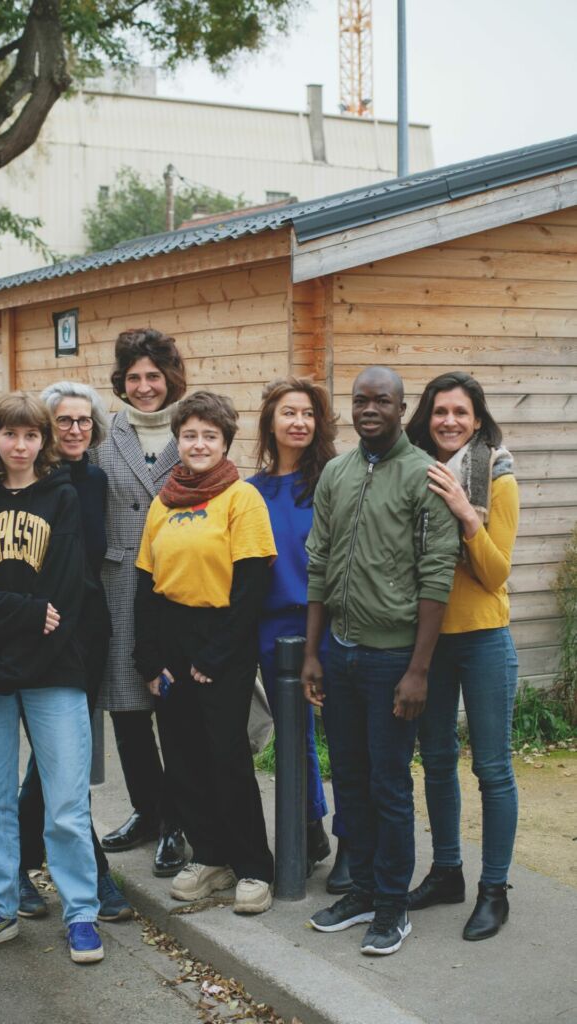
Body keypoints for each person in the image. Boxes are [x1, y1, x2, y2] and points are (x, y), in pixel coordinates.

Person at [304, 366, 459, 956]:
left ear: (402, 408)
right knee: (348, 775)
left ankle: (393, 905)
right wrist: (314, 652)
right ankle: (363, 889)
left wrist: (418, 669)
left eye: (382, 401)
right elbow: (318, 564)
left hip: (392, 658)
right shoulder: (337, 474)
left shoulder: (425, 476)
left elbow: (436, 575)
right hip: (339, 653)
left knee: (389, 783)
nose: (370, 409)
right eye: (360, 401)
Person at [0, 391, 103, 964]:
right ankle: (0, 905)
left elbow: (65, 592)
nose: (20, 444)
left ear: (44, 441)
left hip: (53, 670)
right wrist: (22, 614)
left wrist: (28, 639)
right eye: (9, 434)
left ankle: (81, 912)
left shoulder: (61, 499)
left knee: (64, 802)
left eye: (31, 435)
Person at [133, 391, 277, 914]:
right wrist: (149, 658)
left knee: (225, 756)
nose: (198, 444)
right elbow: (146, 584)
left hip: (223, 640)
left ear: (225, 443)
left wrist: (215, 655)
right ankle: (210, 855)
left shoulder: (242, 499)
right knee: (183, 755)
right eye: (189, 435)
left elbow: (251, 585)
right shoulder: (163, 501)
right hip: (171, 639)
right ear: (178, 441)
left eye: (209, 436)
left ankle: (253, 866)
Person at [406, 371, 519, 941]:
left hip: (482, 639)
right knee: (437, 759)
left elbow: (496, 571)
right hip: (427, 640)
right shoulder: (412, 473)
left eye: (461, 412)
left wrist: (465, 512)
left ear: (477, 419)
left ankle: (493, 890)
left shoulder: (495, 475)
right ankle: (447, 870)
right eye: (440, 411)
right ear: (427, 418)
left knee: (492, 768)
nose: (449, 421)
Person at [12, 382, 132, 923]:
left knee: (62, 754)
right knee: (62, 756)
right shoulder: (24, 484)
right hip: (41, 632)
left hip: (88, 633)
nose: (76, 430)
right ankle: (93, 874)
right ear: (46, 426)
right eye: (65, 421)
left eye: (85, 421)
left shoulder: (97, 479)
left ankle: (19, 859)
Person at [248, 377, 351, 890]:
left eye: (308, 413)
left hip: (330, 621)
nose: (299, 422)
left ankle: (351, 837)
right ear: (271, 421)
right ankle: (309, 828)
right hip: (274, 629)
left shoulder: (332, 479)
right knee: (294, 738)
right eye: (289, 412)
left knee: (346, 732)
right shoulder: (250, 490)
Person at [91, 329, 187, 877]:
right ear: (121, 383)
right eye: (134, 378)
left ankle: (177, 821)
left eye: (153, 376)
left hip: (175, 591)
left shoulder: (193, 429)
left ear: (170, 378)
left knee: (174, 714)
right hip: (118, 589)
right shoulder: (106, 433)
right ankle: (147, 811)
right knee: (127, 714)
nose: (145, 387)